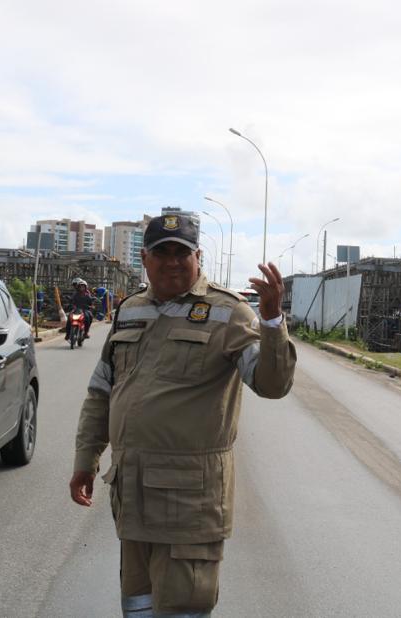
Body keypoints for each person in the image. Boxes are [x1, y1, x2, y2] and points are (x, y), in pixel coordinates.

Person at [69, 212, 297, 617]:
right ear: (145, 258)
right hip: (133, 501)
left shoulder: (229, 312)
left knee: (180, 611)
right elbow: (101, 392)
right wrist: (86, 459)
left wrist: (272, 321)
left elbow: (271, 384)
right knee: (138, 608)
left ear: (199, 257)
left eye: (182, 252)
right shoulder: (130, 310)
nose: (173, 261)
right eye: (163, 252)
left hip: (190, 505)